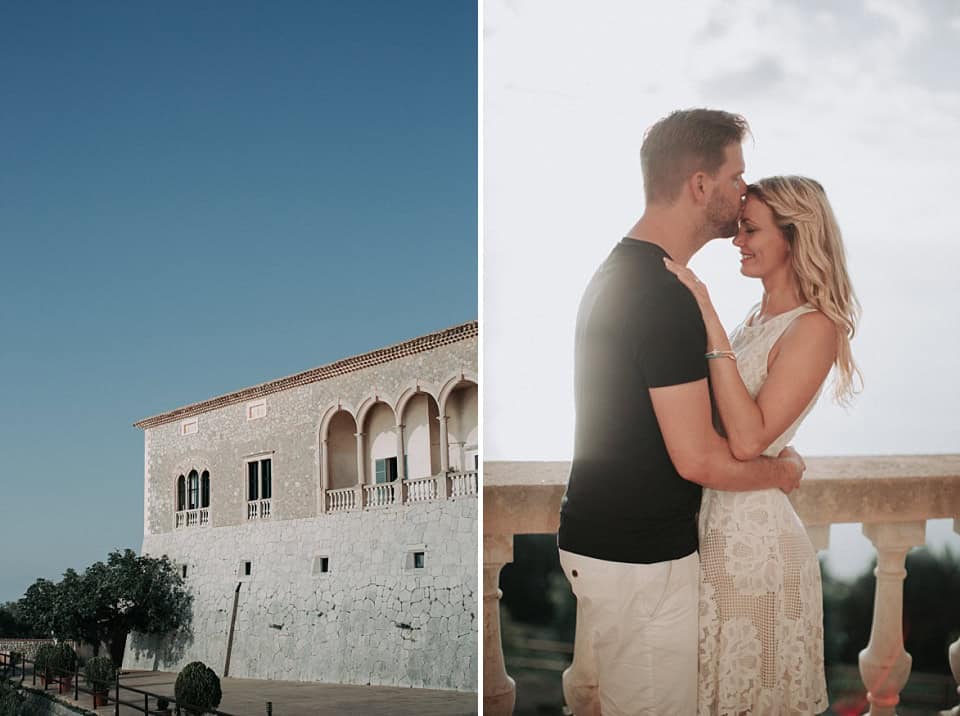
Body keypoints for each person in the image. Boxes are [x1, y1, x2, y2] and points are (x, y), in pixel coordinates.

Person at [557, 109, 806, 716]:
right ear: (701, 185)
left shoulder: (620, 270)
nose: (743, 191)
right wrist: (781, 473)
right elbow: (696, 456)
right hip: (641, 561)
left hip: (605, 544)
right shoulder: (663, 294)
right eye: (736, 176)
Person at [664, 176, 860, 714]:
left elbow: (749, 438)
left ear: (794, 238)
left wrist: (705, 312)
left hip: (759, 551)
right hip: (714, 533)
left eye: (750, 229)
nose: (737, 240)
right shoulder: (755, 320)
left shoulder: (816, 328)